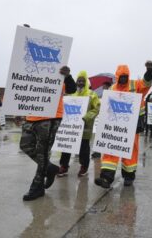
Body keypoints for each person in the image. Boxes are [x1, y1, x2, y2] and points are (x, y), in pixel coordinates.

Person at [19, 66, 76, 201]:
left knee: (42, 152)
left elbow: (72, 89)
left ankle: (37, 188)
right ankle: (49, 168)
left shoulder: (60, 71)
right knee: (25, 145)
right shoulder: (32, 69)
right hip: (32, 115)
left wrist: (67, 76)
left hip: (51, 116)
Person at [95, 61, 152, 189]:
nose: (123, 79)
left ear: (128, 76)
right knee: (110, 148)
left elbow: (146, 83)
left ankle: (129, 176)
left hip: (133, 124)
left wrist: (149, 70)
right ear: (117, 76)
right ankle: (106, 177)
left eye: (125, 77)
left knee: (131, 150)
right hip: (114, 124)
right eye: (120, 77)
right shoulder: (112, 88)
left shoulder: (135, 84)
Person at [58, 71, 100, 177]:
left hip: (85, 128)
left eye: (82, 81)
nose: (80, 83)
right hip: (71, 128)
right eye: (78, 81)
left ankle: (84, 167)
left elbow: (97, 108)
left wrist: (86, 117)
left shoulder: (92, 94)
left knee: (84, 149)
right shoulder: (72, 94)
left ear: (86, 82)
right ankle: (64, 166)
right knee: (66, 147)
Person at [91, 80, 112, 159]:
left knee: (103, 136)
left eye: (104, 85)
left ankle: (101, 151)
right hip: (100, 118)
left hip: (106, 119)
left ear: (107, 86)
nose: (102, 87)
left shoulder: (110, 94)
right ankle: (97, 152)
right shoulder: (103, 95)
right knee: (98, 135)